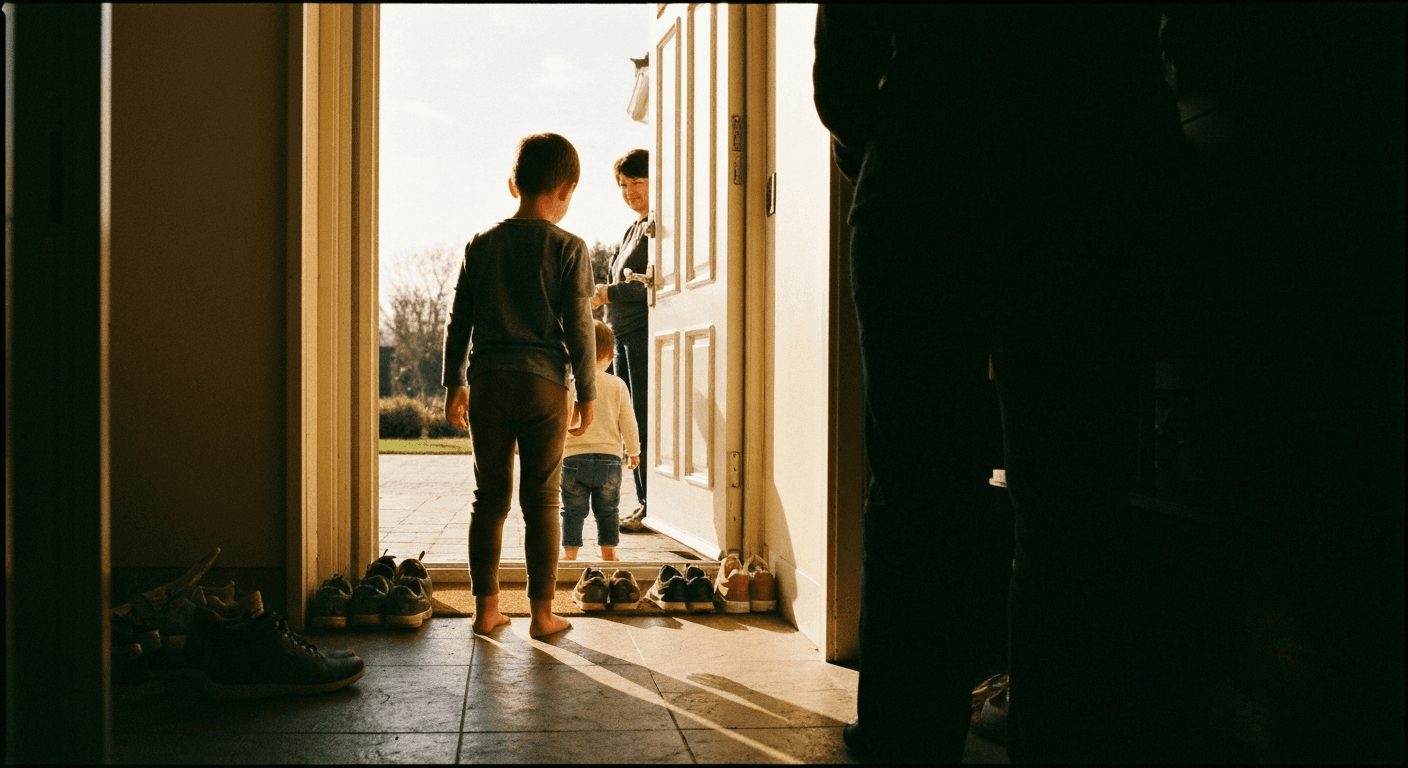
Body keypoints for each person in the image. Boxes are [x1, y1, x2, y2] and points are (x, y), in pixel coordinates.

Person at [813, 6, 1186, 763]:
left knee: (918, 485)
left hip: (929, 173)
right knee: (1073, 499)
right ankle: (1060, 732)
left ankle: (907, 731)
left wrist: (899, 141)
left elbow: (842, 72)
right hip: (1089, 180)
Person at [442, 132, 597, 639]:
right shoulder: (569, 248)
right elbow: (578, 325)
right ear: (568, 189)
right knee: (543, 500)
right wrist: (588, 392)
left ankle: (485, 611)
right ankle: (542, 614)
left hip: (488, 382)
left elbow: (458, 320)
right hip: (545, 386)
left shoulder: (481, 245)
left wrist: (454, 383)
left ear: (514, 184)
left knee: (489, 499)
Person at [592, 148, 651, 533]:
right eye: (624, 185)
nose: (630, 191)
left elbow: (653, 282)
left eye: (638, 182)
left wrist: (607, 293)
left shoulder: (659, 227)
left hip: (644, 336)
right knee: (625, 420)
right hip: (622, 337)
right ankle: (645, 501)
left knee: (642, 419)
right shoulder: (633, 228)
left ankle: (651, 504)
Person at [560, 320, 642, 563]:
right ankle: (609, 552)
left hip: (572, 459)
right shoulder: (617, 385)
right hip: (609, 460)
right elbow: (628, 421)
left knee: (573, 511)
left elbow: (560, 420)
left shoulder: (569, 384)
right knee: (608, 510)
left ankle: (570, 554)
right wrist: (634, 450)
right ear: (608, 355)